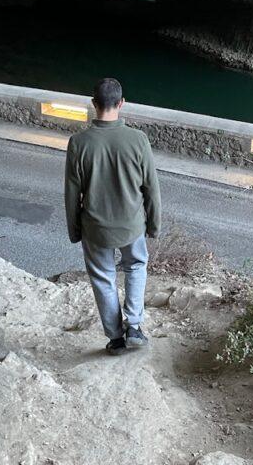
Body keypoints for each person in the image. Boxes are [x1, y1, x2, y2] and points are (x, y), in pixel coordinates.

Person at [64, 77, 162, 355]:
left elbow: (72, 194)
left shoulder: (78, 143)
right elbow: (151, 190)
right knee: (135, 266)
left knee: (103, 277)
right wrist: (153, 226)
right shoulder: (138, 140)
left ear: (93, 104)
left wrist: (74, 231)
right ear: (121, 103)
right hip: (131, 225)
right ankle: (134, 326)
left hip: (95, 228)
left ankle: (116, 339)